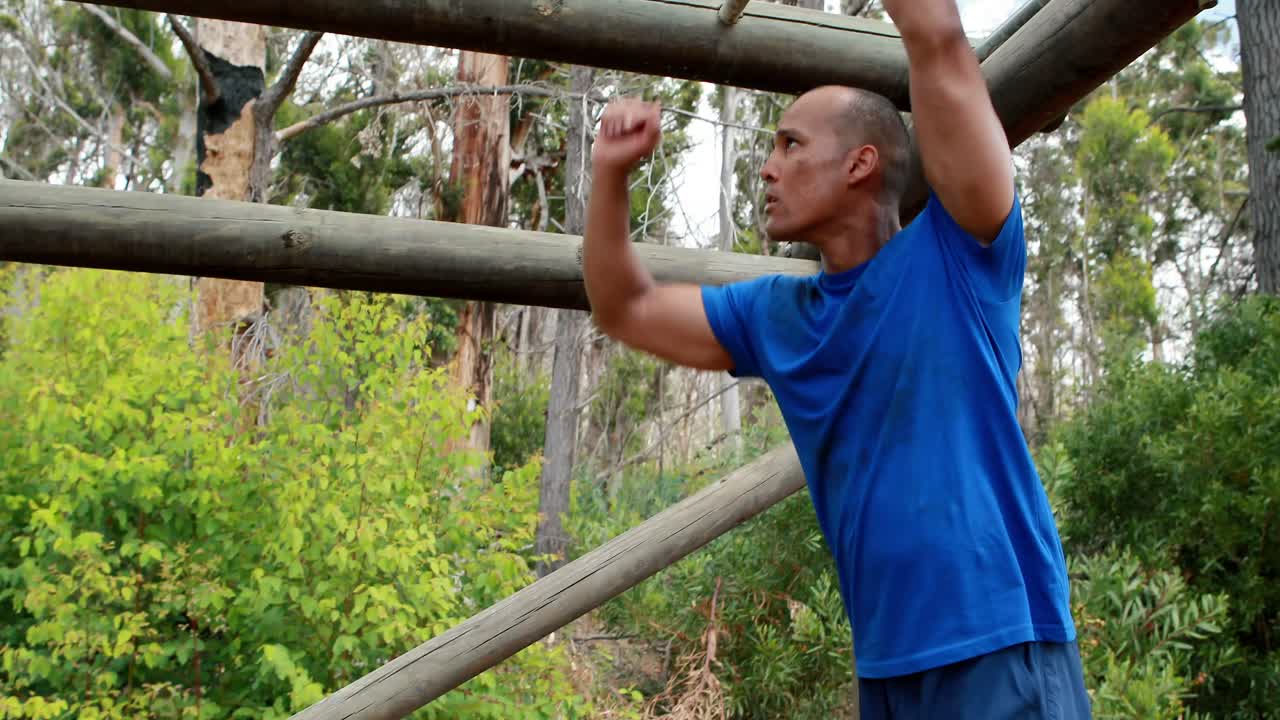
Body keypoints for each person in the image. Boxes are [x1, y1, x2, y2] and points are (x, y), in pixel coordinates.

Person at [582, 0, 1091, 717]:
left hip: (999, 645)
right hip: (885, 668)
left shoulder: (961, 255)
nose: (766, 168)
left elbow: (938, 38)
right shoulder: (777, 318)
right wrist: (609, 176)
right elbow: (624, 307)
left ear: (860, 162)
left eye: (790, 144)